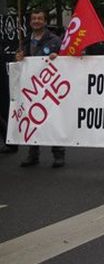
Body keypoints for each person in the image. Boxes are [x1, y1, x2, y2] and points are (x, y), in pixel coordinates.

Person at [16, 9, 65, 168]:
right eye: (34, 19)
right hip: (31, 87)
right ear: (30, 22)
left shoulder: (55, 40)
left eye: (40, 18)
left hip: (50, 87)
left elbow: (66, 60)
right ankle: (33, 154)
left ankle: (58, 154)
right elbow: (18, 62)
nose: (36, 21)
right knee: (32, 119)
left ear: (45, 22)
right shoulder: (24, 41)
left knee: (53, 120)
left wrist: (58, 58)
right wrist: (18, 58)